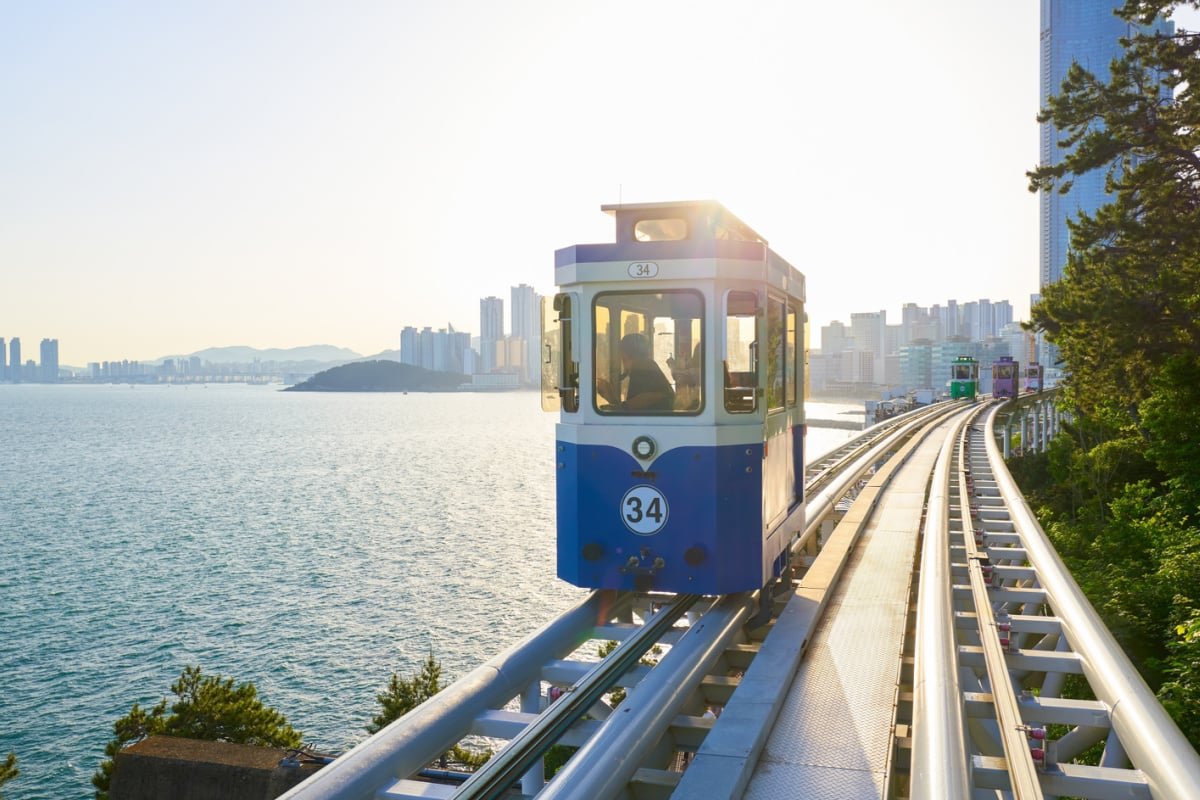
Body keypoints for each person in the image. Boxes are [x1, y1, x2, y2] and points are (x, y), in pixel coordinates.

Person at [597, 333, 675, 411]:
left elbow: (635, 407)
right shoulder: (647, 366)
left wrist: (612, 402)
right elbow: (632, 407)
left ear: (626, 354)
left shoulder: (641, 368)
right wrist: (611, 398)